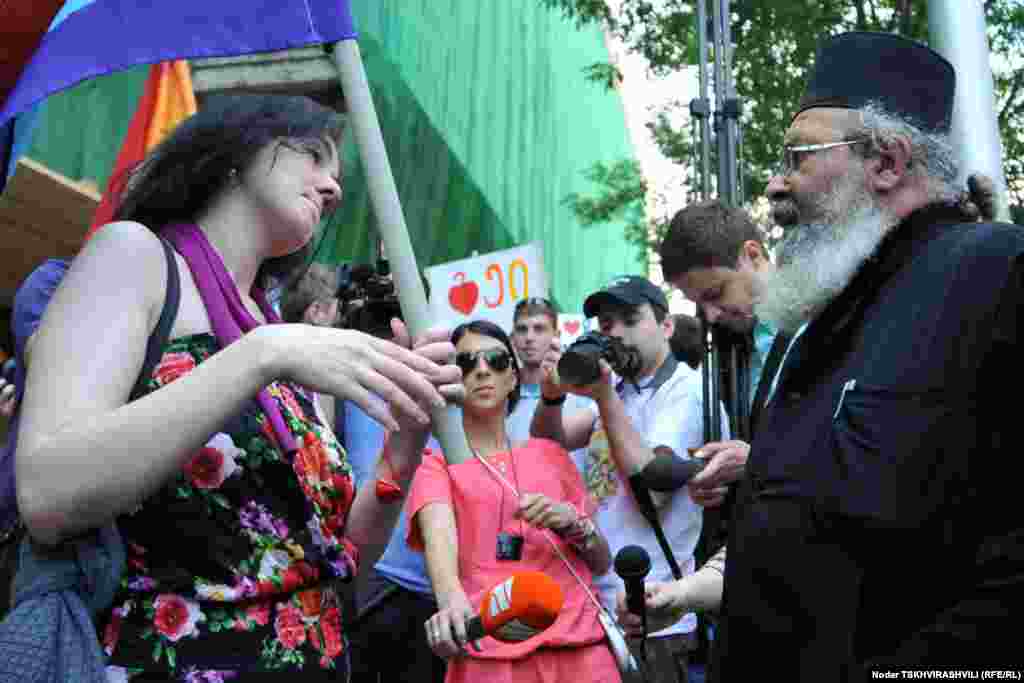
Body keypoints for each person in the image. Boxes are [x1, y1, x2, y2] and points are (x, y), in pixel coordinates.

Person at [13, 94, 460, 679]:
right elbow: (47, 493)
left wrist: (403, 439)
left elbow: (340, 560)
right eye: (314, 156)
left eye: (339, 174)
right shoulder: (136, 257)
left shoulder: (270, 327)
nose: (333, 187)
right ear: (236, 150)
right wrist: (263, 355)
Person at [709, 32, 1024, 679]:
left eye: (799, 155)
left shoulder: (995, 276)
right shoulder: (825, 318)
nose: (775, 183)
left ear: (885, 162)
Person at [409, 319, 619, 682]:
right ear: (453, 380)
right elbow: (440, 551)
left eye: (496, 360)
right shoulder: (437, 466)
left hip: (582, 650)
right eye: (466, 363)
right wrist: (450, 602)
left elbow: (601, 561)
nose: (482, 371)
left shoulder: (549, 453)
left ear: (513, 378)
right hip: (493, 657)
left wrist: (571, 520)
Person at [532, 275, 719, 683]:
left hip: (655, 611)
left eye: (629, 319)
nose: (614, 332)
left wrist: (603, 397)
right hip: (595, 601)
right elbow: (548, 443)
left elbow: (652, 488)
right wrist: (551, 396)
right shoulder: (621, 390)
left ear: (666, 325)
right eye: (605, 324)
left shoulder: (686, 392)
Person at [507, 297, 591, 468]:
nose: (529, 337)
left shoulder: (583, 392)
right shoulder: (499, 396)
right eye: (522, 329)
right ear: (512, 338)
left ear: (557, 336)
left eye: (539, 329)